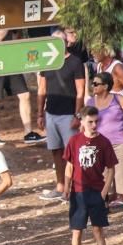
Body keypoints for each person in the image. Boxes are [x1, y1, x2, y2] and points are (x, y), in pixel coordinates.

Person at [63, 106, 118, 245]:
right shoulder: (74, 141)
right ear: (82, 121)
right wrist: (66, 187)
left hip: (96, 190)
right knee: (76, 230)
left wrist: (104, 192)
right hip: (78, 191)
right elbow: (69, 166)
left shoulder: (104, 142)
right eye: (90, 122)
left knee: (98, 230)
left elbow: (111, 169)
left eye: (96, 122)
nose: (94, 125)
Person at [37, 29, 86, 201]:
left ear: (65, 43)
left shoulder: (75, 62)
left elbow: (81, 90)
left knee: (71, 153)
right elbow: (42, 89)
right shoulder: (47, 62)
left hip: (68, 114)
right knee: (55, 151)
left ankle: (74, 188)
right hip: (50, 113)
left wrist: (78, 115)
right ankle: (60, 186)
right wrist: (40, 114)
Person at [86, 71, 123, 218]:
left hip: (120, 143)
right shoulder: (91, 102)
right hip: (99, 145)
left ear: (105, 86)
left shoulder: (118, 100)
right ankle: (103, 204)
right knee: (101, 176)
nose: (93, 86)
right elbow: (85, 121)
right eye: (93, 83)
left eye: (96, 84)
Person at [0, 30, 43, 146]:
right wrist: (10, 25)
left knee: (24, 94)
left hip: (11, 60)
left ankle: (28, 133)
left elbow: (17, 35)